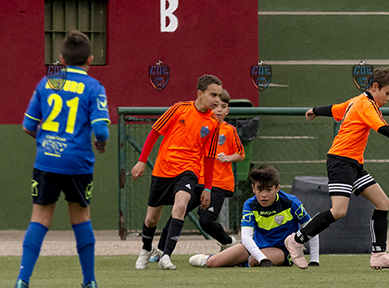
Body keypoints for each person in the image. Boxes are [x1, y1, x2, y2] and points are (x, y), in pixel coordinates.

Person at [284, 67, 389, 270]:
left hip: (353, 164)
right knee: (339, 211)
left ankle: (379, 255)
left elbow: (335, 109)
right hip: (341, 161)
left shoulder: (356, 101)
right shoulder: (366, 104)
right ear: (375, 87)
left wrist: (315, 110)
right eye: (387, 93)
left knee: (382, 202)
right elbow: (383, 128)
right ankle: (296, 240)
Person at [15, 30, 110, 288]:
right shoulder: (94, 87)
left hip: (47, 161)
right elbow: (101, 130)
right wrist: (101, 143)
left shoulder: (47, 82)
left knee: (39, 218)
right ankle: (89, 282)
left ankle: (23, 280)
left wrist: (45, 139)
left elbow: (28, 125)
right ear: (90, 59)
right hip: (78, 163)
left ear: (62, 59)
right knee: (80, 217)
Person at [131, 74, 222, 270]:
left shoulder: (214, 123)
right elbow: (154, 132)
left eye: (219, 95)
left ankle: (166, 256)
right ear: (200, 93)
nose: (217, 100)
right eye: (213, 95)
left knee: (180, 206)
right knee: (151, 219)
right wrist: (141, 161)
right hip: (163, 170)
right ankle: (146, 249)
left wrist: (207, 188)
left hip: (189, 170)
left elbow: (209, 158)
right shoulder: (179, 109)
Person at [149, 89, 244, 263]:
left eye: (223, 106)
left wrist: (228, 157)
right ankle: (161, 251)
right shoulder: (201, 124)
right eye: (216, 105)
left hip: (218, 184)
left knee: (206, 221)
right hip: (197, 181)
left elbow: (240, 154)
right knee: (179, 210)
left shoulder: (229, 130)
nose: (219, 109)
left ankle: (228, 242)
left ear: (228, 110)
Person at [189, 165, 319, 268]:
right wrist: (262, 258)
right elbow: (246, 237)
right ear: (253, 188)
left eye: (269, 190)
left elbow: (312, 227)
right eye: (260, 190)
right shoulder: (250, 204)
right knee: (212, 263)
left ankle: (242, 262)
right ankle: (211, 258)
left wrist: (314, 260)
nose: (264, 195)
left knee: (253, 261)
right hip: (256, 246)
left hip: (282, 250)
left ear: (277, 188)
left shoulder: (291, 203)